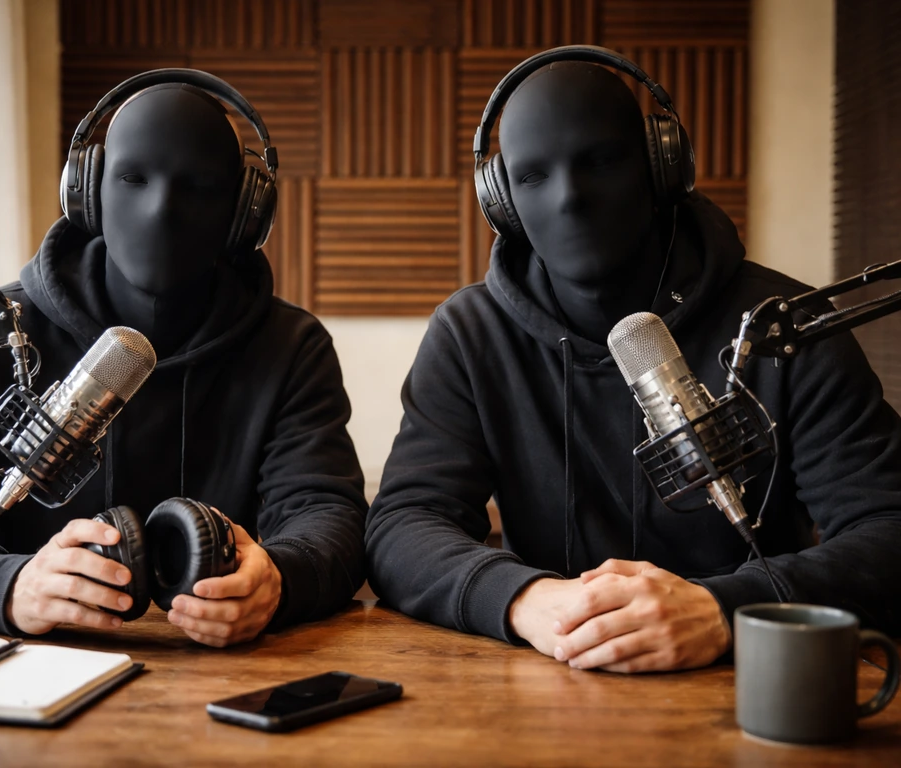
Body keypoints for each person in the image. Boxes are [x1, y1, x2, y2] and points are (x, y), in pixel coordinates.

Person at [365, 49, 901, 673]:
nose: (570, 198)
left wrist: (724, 608)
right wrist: (526, 601)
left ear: (659, 165)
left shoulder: (782, 326)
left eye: (600, 161)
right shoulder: (470, 333)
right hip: (548, 679)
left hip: (752, 678)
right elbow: (402, 525)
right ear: (502, 200)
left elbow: (889, 529)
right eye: (534, 175)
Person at [0, 72, 367, 648]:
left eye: (200, 187)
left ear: (244, 213)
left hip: (225, 675)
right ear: (87, 190)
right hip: (27, 667)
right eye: (134, 178)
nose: (162, 211)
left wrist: (281, 580)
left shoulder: (292, 347)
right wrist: (7, 587)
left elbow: (330, 522)